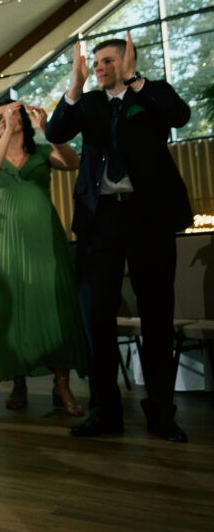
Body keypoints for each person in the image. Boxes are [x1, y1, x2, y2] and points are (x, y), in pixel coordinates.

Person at [46, 33, 192, 442]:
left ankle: (162, 413)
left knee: (157, 316)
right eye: (96, 64)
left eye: (108, 61)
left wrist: (137, 83)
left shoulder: (152, 95)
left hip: (149, 218)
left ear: (128, 60)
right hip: (101, 221)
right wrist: (74, 87)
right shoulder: (88, 103)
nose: (100, 68)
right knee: (97, 319)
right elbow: (56, 129)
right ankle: (104, 411)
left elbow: (180, 116)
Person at [0, 100, 87, 414]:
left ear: (23, 119)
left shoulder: (41, 154)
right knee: (16, 311)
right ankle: (19, 382)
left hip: (46, 240)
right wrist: (8, 131)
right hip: (9, 242)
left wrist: (49, 132)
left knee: (56, 307)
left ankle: (61, 383)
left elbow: (73, 162)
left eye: (9, 116)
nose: (3, 121)